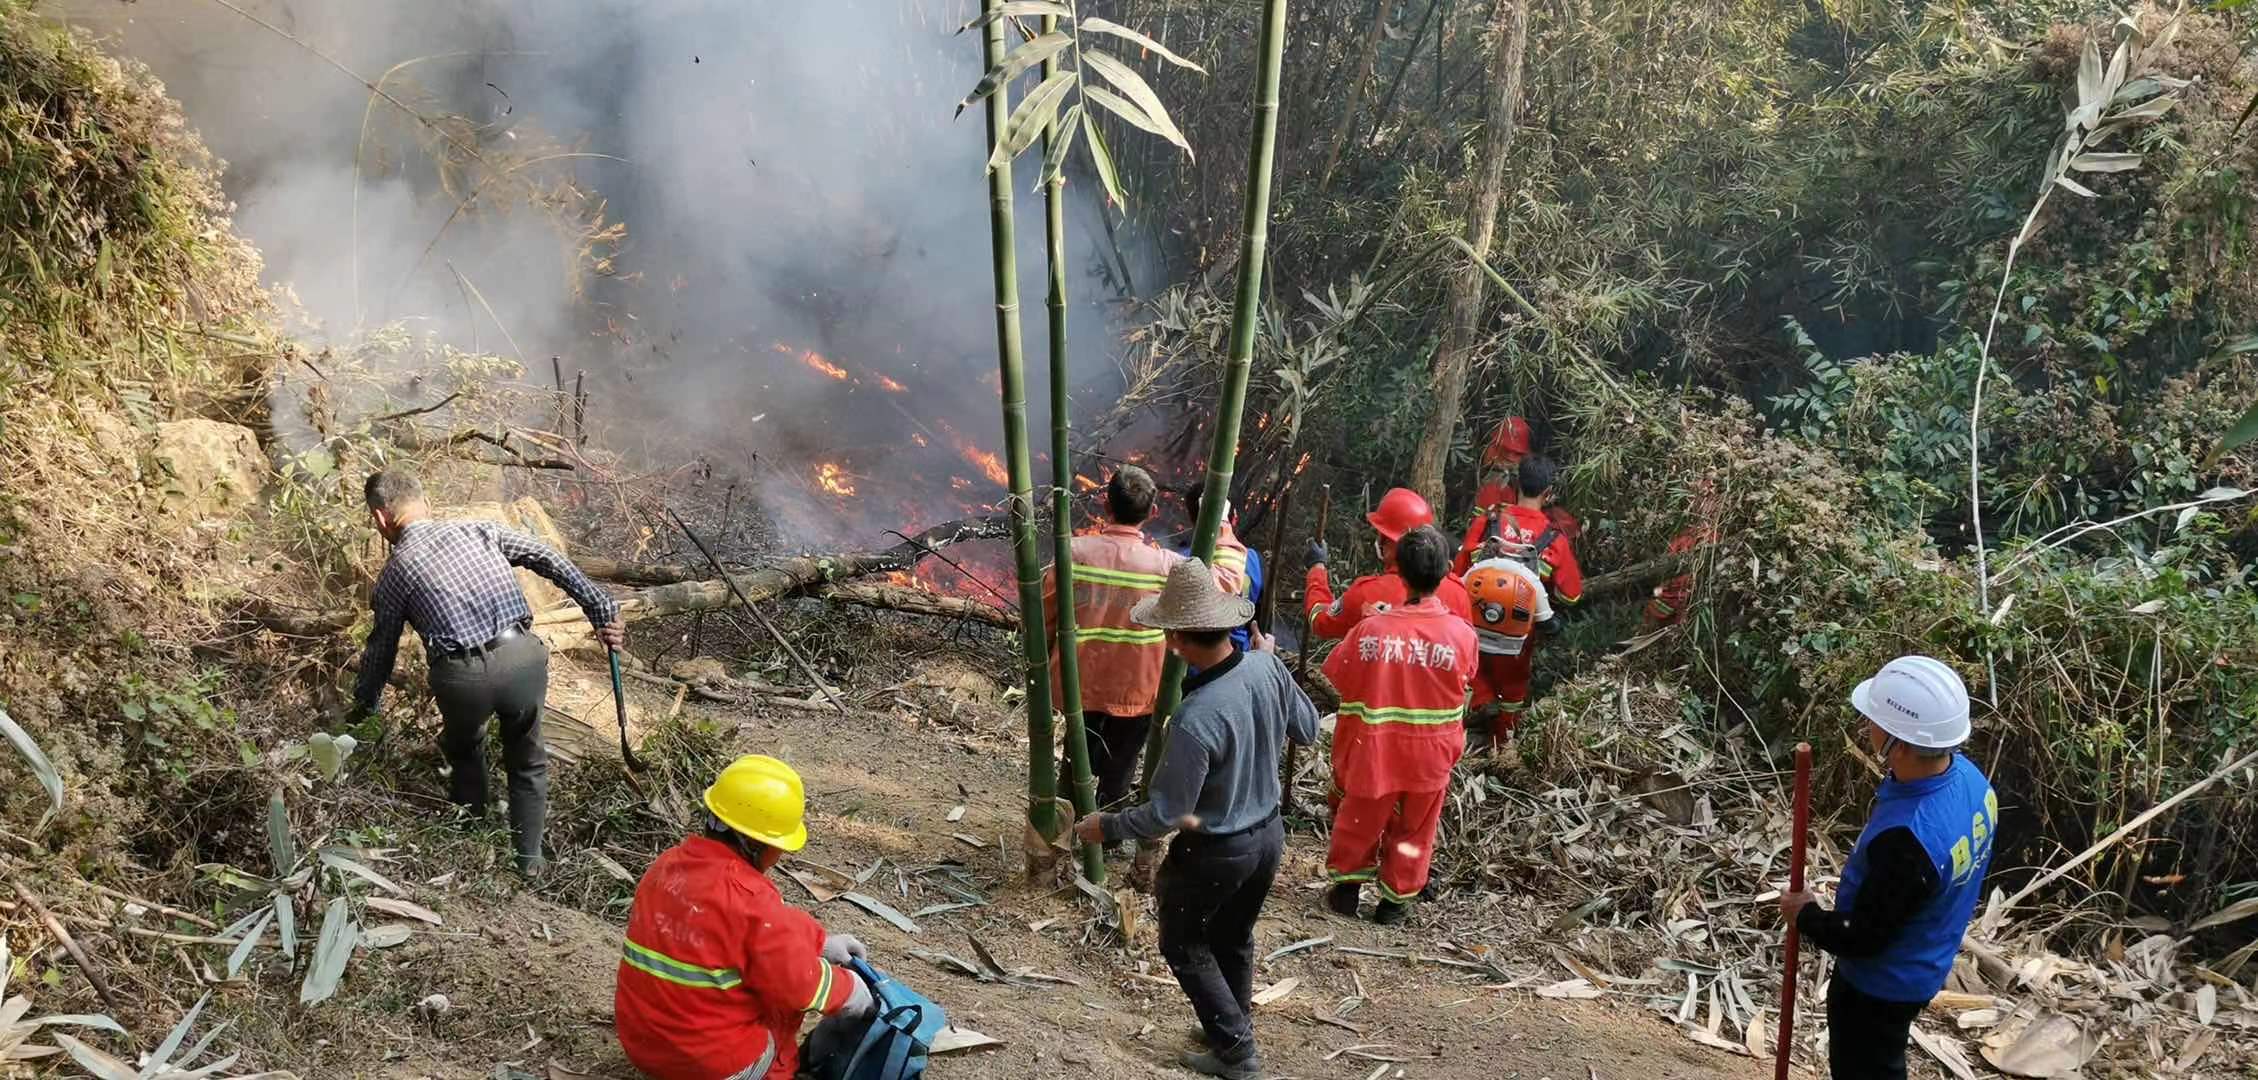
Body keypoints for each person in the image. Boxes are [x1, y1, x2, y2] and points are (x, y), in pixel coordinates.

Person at [1071, 559, 1320, 1080]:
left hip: (1218, 849)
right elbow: (1310, 727)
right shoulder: (1265, 666)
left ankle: (1237, 1052)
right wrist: (1272, 666)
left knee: (1181, 941)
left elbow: (1166, 813)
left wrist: (1104, 827)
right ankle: (1229, 1025)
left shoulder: (1196, 716)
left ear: (1179, 640)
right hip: (1269, 837)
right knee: (1233, 935)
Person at [350, 468, 625, 875]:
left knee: (463, 749)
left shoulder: (394, 575)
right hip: (522, 661)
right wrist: (600, 608)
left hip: (462, 680)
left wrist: (364, 709)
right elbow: (547, 557)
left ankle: (475, 839)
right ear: (427, 504)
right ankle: (529, 863)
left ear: (380, 519)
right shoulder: (481, 531)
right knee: (528, 757)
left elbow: (381, 651)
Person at [1779, 657, 1998, 1080]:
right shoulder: (1972, 781)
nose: (1866, 726)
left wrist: (1806, 915)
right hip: (1927, 953)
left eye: (1874, 720)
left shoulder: (1909, 843)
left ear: (1898, 742)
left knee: (1868, 1067)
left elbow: (1863, 937)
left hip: (1882, 984)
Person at [616, 755, 878, 1080]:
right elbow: (799, 984)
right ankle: (777, 1073)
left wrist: (819, 942)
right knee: (778, 1005)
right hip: (707, 1065)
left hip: (643, 1046)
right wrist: (850, 989)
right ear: (757, 843)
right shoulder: (750, 899)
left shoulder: (666, 867)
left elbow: (753, 930)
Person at [1319, 527, 1478, 925]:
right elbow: (1467, 682)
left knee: (1360, 821)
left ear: (1400, 575)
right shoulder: (1462, 635)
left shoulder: (1372, 631)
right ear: (1445, 573)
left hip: (1377, 750)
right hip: (1432, 755)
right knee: (1415, 830)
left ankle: (1346, 893)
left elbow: (1338, 675)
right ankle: (1394, 906)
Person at [1040, 465, 1180, 810]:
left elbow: (1045, 616)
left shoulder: (1072, 553)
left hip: (1080, 681)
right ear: (1153, 512)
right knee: (1121, 766)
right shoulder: (1166, 567)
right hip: (1139, 687)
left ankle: (1066, 825)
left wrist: (1044, 662)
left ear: (1106, 504)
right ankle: (1108, 832)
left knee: (1076, 761)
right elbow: (1221, 588)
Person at [1304, 487, 1473, 643]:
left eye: (1380, 534)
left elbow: (1320, 621)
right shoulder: (1458, 592)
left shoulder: (1366, 592)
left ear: (1390, 544)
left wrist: (1316, 568)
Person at [1451, 416, 1582, 577]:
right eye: (1506, 453)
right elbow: (1571, 595)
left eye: (1516, 455)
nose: (1509, 460)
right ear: (1547, 492)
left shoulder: (1490, 508)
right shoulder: (1494, 490)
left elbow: (1460, 568)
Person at [1461, 549, 1557, 754]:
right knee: (1513, 685)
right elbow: (1570, 596)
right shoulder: (1551, 537)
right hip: (1514, 647)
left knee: (1469, 668)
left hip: (1474, 631)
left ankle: (1484, 706)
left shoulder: (1483, 525)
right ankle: (1503, 737)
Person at [1178, 480, 1263, 651]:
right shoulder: (1255, 561)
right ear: (1235, 518)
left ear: (1192, 520)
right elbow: (1259, 622)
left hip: (1190, 663)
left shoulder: (1179, 562)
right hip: (1240, 660)